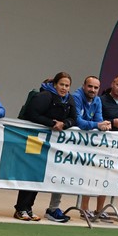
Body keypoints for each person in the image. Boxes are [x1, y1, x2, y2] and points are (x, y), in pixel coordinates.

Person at [14, 72, 76, 223]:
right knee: (30, 173)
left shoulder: (69, 100)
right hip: (34, 139)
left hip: (50, 143)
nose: (64, 88)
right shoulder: (44, 96)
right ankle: (20, 208)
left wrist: (64, 124)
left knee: (38, 175)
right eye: (61, 84)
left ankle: (28, 208)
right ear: (55, 84)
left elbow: (73, 118)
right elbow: (32, 114)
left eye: (67, 85)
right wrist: (52, 123)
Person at [80, 75, 118, 222]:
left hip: (112, 147)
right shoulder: (100, 100)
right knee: (91, 175)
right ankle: (84, 208)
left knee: (106, 177)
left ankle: (100, 209)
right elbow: (98, 120)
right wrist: (112, 122)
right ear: (112, 84)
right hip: (97, 145)